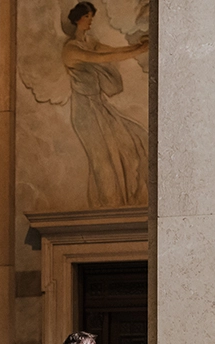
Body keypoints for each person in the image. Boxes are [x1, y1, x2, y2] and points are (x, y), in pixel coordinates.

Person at [63, 2, 150, 207]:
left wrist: (139, 46)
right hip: (84, 111)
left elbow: (113, 50)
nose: (90, 20)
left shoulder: (89, 42)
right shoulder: (71, 49)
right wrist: (141, 48)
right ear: (77, 19)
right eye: (87, 17)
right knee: (102, 161)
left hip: (98, 106)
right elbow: (104, 58)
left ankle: (121, 203)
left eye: (91, 16)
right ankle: (107, 205)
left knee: (132, 140)